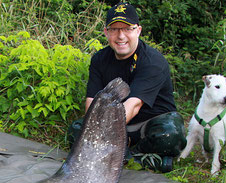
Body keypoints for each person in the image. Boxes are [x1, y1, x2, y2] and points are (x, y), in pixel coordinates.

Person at [68, 2, 186, 173]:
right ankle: (138, 159)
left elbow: (133, 106)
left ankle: (126, 156)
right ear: (106, 33)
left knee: (170, 136)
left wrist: (101, 136)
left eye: (127, 29)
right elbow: (91, 104)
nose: (120, 36)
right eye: (114, 29)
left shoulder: (153, 62)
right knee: (77, 130)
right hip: (116, 125)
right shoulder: (99, 59)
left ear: (138, 30)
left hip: (150, 123)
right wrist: (92, 132)